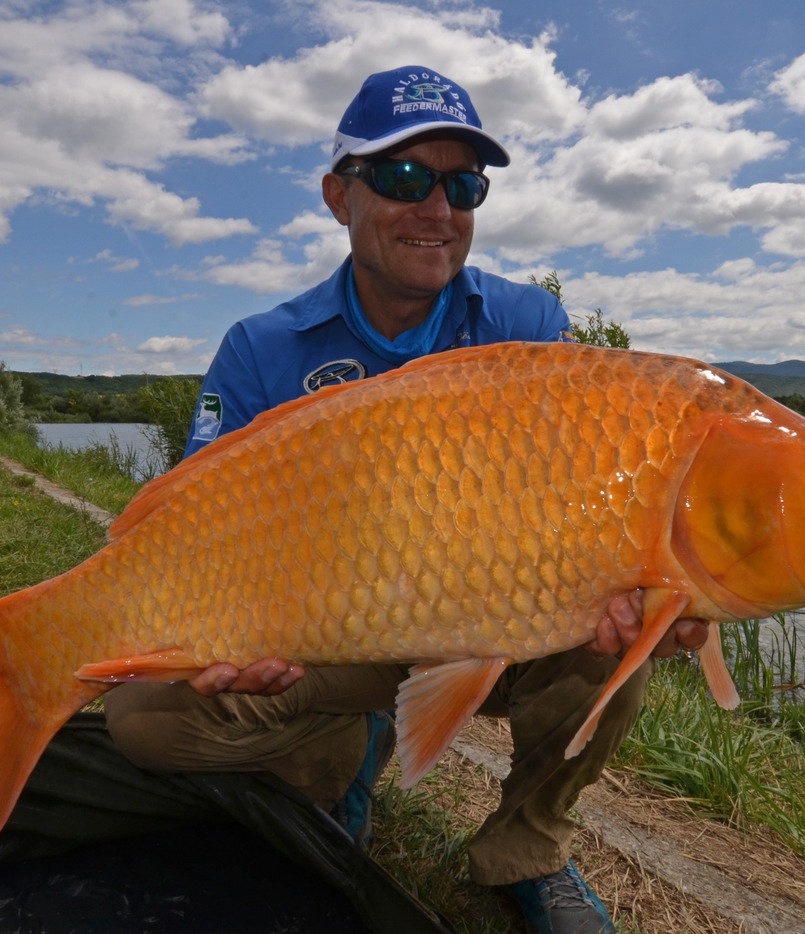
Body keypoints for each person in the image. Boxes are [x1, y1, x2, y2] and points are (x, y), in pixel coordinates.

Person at [104, 65, 708, 934]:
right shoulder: (263, 348)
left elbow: (602, 497)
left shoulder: (529, 327)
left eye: (463, 185)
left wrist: (659, 581)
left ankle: (525, 851)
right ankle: (330, 764)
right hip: (328, 629)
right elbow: (185, 520)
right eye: (401, 178)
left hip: (493, 617)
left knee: (618, 649)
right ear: (337, 195)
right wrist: (218, 638)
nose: (437, 209)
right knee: (144, 720)